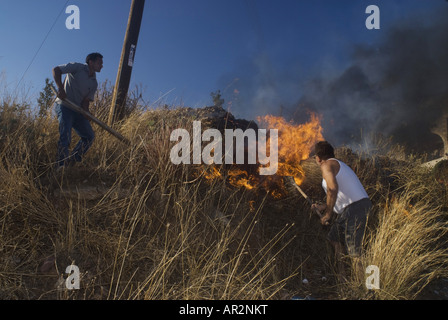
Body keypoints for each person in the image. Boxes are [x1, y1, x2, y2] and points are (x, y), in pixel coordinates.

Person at [311, 141, 372, 281]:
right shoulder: (337, 164)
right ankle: (342, 276)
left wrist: (327, 214)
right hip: (351, 209)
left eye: (315, 157)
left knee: (354, 250)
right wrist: (322, 207)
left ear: (319, 157)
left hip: (355, 208)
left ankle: (368, 289)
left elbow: (332, 189)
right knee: (334, 238)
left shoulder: (326, 165)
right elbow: (337, 195)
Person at [52, 52, 103, 170]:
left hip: (78, 111)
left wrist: (87, 113)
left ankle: (71, 162)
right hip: (65, 106)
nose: (101, 66)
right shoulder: (77, 67)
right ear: (91, 62)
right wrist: (60, 88)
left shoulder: (94, 82)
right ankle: (60, 166)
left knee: (89, 137)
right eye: (99, 63)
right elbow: (56, 70)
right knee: (66, 135)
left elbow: (85, 102)